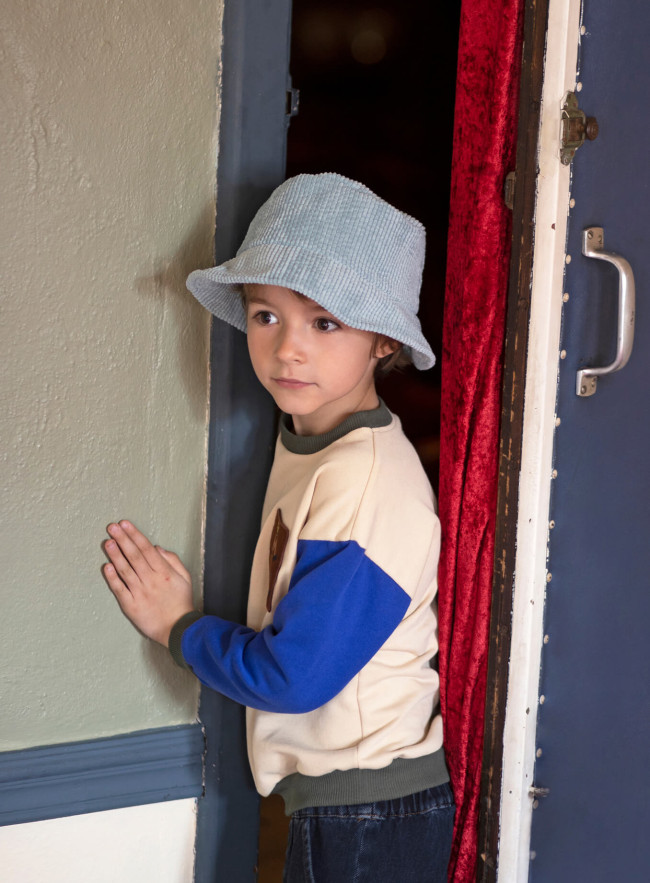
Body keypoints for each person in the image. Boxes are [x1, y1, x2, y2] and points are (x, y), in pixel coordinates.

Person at [102, 173, 454, 882]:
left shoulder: (363, 482)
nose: (288, 347)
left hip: (370, 810)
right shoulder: (314, 443)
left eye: (324, 322)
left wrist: (178, 626)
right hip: (348, 802)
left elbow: (295, 675)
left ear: (383, 339)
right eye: (266, 315)